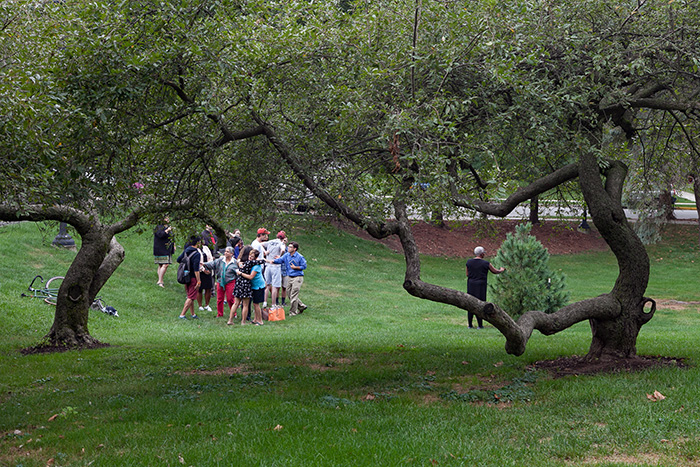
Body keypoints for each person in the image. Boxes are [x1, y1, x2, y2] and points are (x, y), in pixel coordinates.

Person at [465, 246, 505, 329]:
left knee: (470, 303)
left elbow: (467, 274)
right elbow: (495, 271)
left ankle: (470, 325)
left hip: (471, 284)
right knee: (480, 304)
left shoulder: (469, 262)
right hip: (481, 285)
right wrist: (501, 270)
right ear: (482, 254)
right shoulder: (486, 263)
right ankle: (480, 325)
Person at [229, 246, 266, 325]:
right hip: (246, 285)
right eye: (249, 255)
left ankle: (231, 320)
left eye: (252, 256)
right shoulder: (249, 263)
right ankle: (245, 321)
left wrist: (239, 271)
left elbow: (251, 276)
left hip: (246, 284)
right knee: (245, 304)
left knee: (240, 303)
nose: (250, 257)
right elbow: (262, 261)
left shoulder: (247, 264)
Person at [270, 241, 307, 316]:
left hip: (298, 277)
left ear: (295, 249)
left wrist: (295, 267)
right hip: (289, 277)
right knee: (289, 294)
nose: (288, 248)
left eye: (290, 247)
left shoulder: (299, 257)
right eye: (288, 246)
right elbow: (280, 260)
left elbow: (304, 266)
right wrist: (273, 261)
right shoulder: (287, 255)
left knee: (293, 294)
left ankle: (293, 312)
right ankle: (301, 306)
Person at [202, 246, 238, 318]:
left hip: (230, 281)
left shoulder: (235, 262)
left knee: (230, 298)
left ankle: (233, 313)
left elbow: (238, 272)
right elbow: (212, 264)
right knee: (219, 299)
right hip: (220, 280)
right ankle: (219, 314)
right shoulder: (220, 260)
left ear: (231, 253)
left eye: (227, 252)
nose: (225, 253)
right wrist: (203, 264)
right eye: (225, 251)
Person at [177, 235, 202, 320]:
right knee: (191, 297)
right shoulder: (197, 253)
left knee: (190, 295)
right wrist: (198, 281)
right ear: (198, 243)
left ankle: (193, 314)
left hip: (185, 276)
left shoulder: (186, 250)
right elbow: (196, 269)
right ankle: (182, 315)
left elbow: (178, 259)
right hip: (193, 278)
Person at [263, 231, 287, 309]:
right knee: (274, 286)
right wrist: (280, 256)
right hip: (276, 266)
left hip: (268, 265)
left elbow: (261, 244)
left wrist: (265, 252)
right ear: (283, 238)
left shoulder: (270, 241)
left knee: (267, 284)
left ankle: (265, 302)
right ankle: (273, 304)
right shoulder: (281, 243)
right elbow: (283, 250)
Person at [153, 217, 175, 288]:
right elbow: (160, 235)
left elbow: (171, 237)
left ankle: (159, 280)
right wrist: (167, 231)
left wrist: (173, 244)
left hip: (167, 248)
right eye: (166, 218)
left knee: (162, 265)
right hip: (161, 249)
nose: (168, 219)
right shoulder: (159, 227)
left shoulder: (168, 227)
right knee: (165, 264)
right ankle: (160, 281)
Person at [197, 241, 214, 312]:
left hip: (208, 269)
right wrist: (203, 269)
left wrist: (208, 266)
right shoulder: (195, 250)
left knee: (208, 288)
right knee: (200, 288)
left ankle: (207, 305)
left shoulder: (206, 248)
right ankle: (200, 305)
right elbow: (197, 262)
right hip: (200, 271)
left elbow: (210, 258)